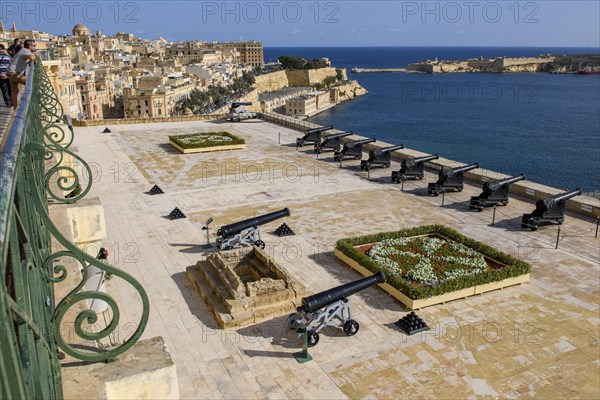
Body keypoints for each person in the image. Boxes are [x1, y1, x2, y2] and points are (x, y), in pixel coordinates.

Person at [6, 39, 36, 108]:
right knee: (30, 83)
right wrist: (34, 55)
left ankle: (16, 108)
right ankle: (28, 105)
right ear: (29, 46)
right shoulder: (25, 51)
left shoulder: (22, 50)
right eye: (34, 45)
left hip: (10, 72)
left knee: (15, 91)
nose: (35, 46)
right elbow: (32, 58)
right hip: (14, 73)